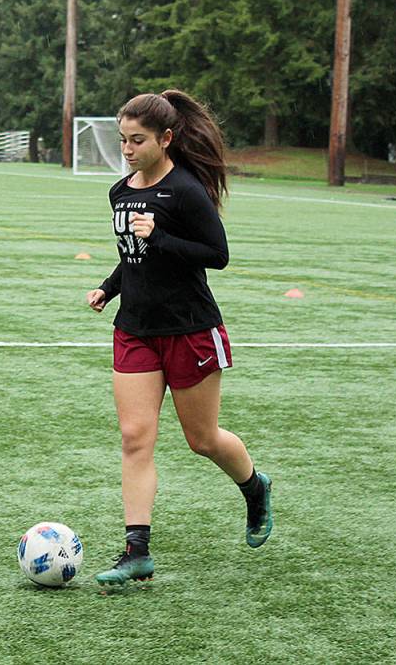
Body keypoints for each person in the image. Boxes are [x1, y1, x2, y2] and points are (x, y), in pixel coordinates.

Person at [86, 90, 272, 586]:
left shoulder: (186, 191)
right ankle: (137, 551)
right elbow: (134, 257)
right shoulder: (120, 192)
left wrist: (161, 236)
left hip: (190, 329)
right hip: (135, 330)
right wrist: (109, 287)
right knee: (134, 438)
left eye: (138, 140)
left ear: (166, 139)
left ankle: (254, 487)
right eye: (123, 140)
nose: (127, 149)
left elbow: (217, 254)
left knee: (202, 439)